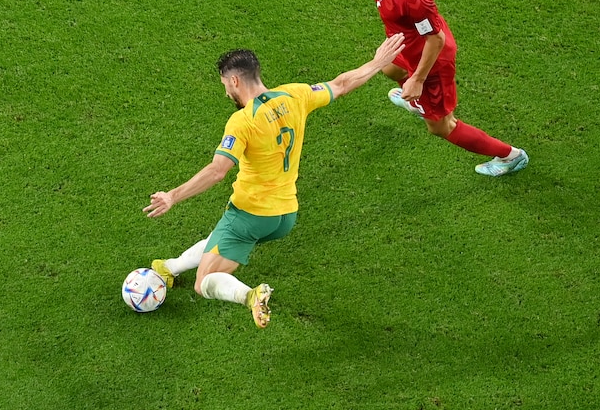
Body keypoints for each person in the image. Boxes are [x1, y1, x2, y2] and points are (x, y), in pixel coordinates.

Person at [143, 33, 405, 328]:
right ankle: (170, 267)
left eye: (224, 86)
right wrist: (377, 62)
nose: (226, 93)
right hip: (285, 215)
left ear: (234, 82)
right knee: (221, 240)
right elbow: (342, 84)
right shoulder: (295, 95)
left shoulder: (243, 121)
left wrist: (172, 196)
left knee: (204, 282)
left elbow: (218, 170)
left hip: (250, 214)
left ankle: (250, 296)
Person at [313, 0, 528, 177]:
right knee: (389, 70)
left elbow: (436, 39)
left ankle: (510, 155)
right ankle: (417, 100)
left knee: (441, 127)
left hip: (431, 59)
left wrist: (417, 79)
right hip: (405, 42)